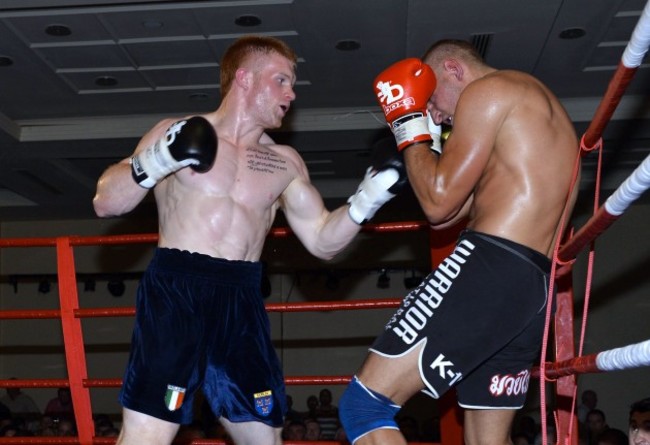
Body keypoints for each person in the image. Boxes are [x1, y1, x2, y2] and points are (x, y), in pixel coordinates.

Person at [93, 35, 404, 445]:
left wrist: (368, 200)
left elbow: (322, 240)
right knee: (147, 434)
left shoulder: (285, 162)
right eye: (281, 80)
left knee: (265, 438)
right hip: (177, 291)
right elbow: (105, 202)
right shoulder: (175, 131)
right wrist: (158, 158)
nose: (291, 94)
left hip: (241, 301)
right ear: (244, 78)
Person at [338, 39, 579, 445]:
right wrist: (429, 145)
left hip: (489, 269)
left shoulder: (487, 91)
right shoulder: (539, 109)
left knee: (364, 407)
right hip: (532, 288)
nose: (432, 112)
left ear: (453, 69)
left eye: (431, 99)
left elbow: (436, 203)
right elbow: (454, 210)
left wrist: (407, 124)